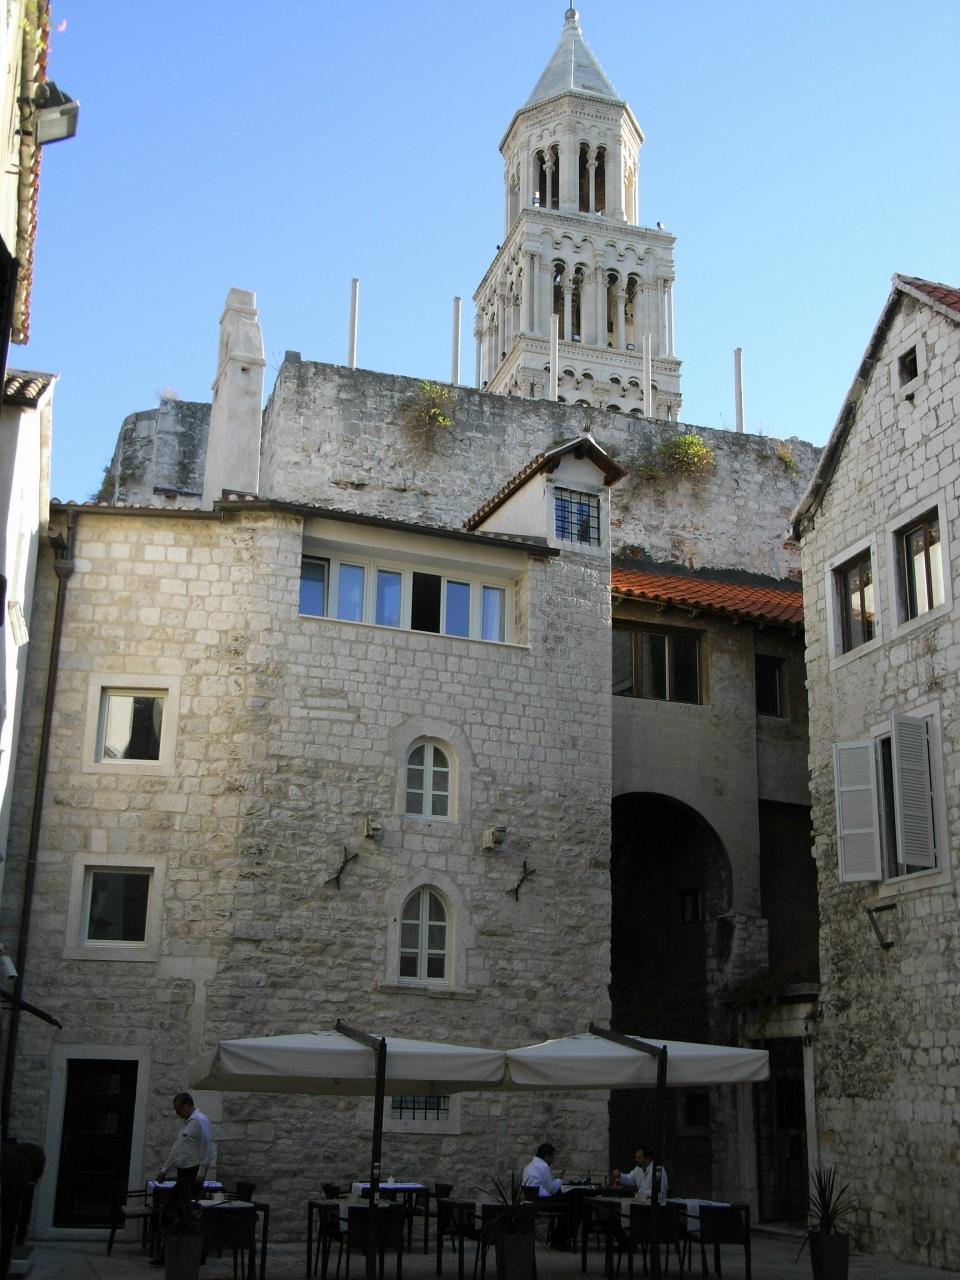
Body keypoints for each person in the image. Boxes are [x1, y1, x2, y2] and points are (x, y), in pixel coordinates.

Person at [159, 1092, 214, 1205]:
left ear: (187, 1105)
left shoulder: (200, 1120)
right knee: (174, 1205)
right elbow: (177, 1148)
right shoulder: (187, 1124)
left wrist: (201, 1173)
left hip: (192, 1172)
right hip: (183, 1172)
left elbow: (207, 1147)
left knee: (183, 1206)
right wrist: (165, 1169)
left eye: (178, 1109)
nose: (177, 1113)